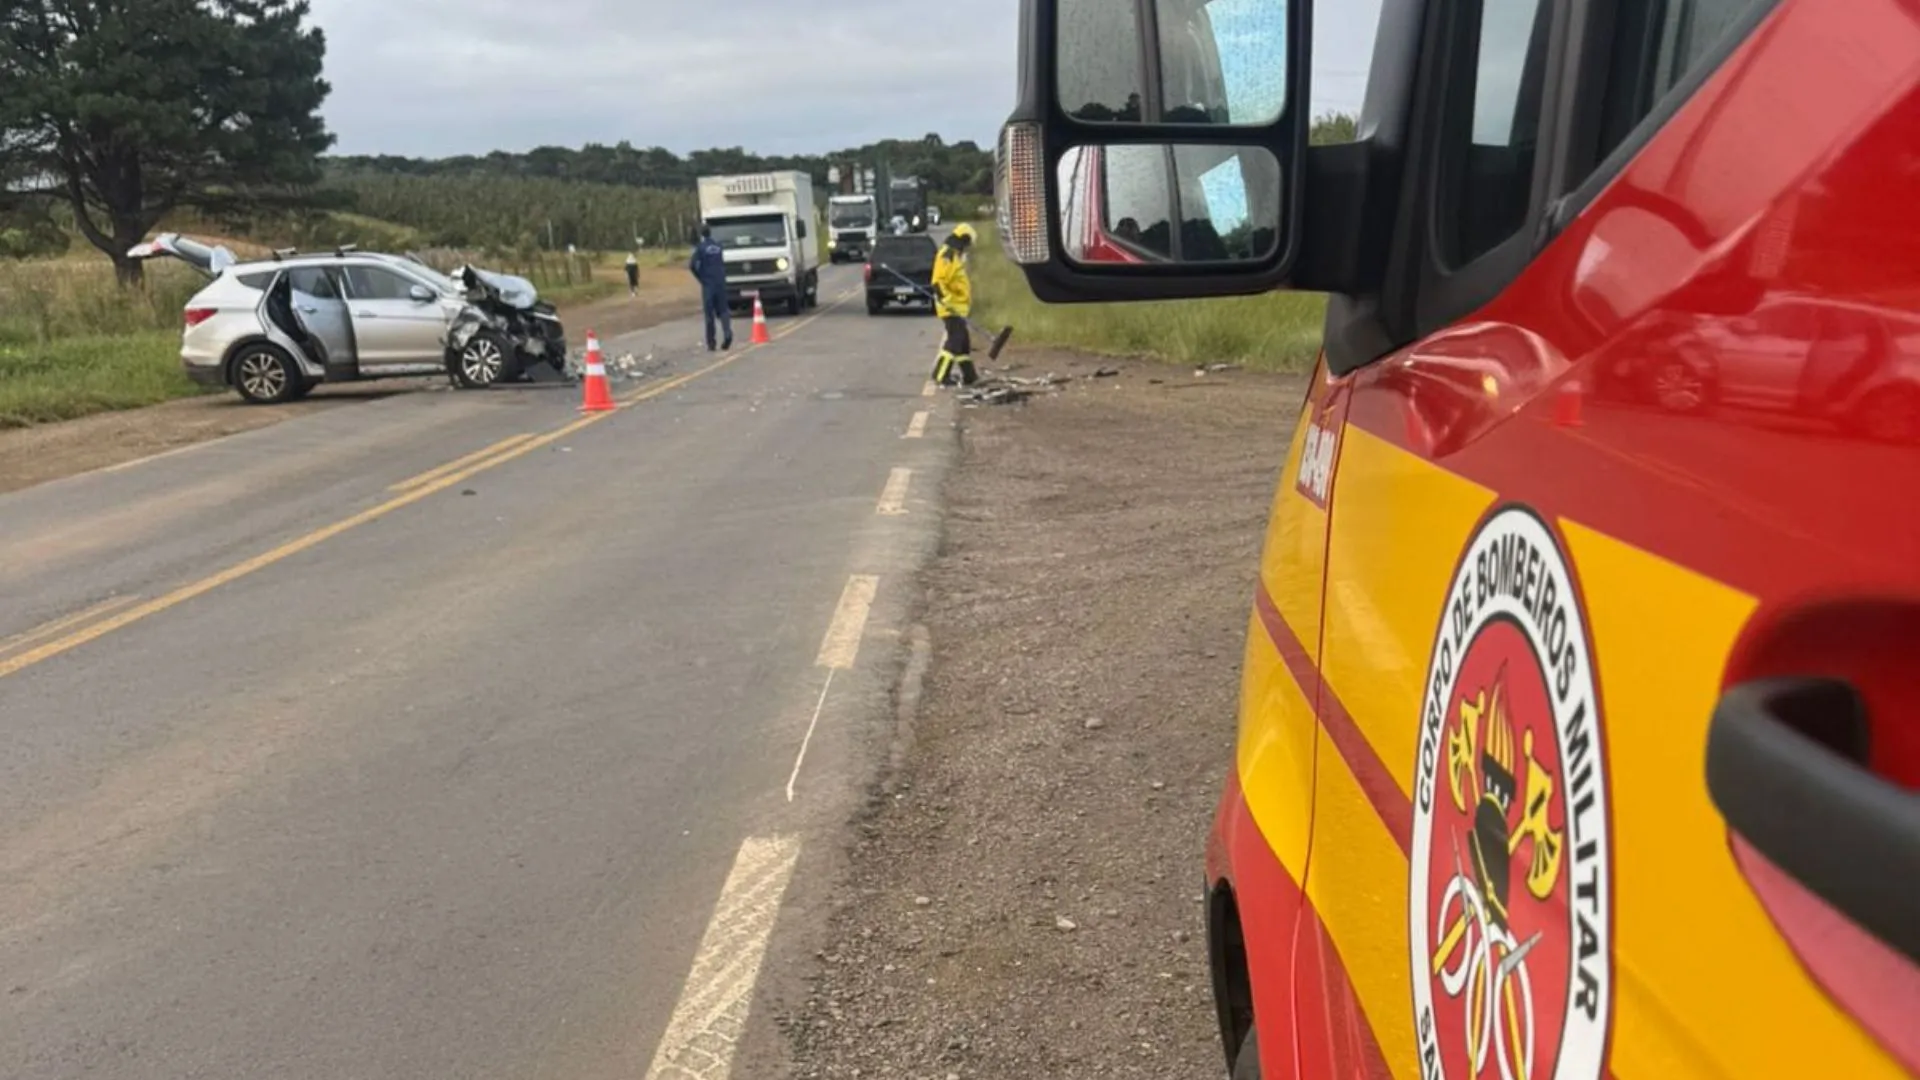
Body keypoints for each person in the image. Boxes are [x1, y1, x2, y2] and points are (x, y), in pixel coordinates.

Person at [930, 223, 978, 387]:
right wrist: (947, 301)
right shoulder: (947, 255)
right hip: (951, 308)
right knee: (955, 341)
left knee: (963, 343)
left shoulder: (955, 254)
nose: (968, 247)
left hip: (958, 308)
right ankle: (940, 375)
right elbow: (937, 282)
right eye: (968, 243)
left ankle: (970, 375)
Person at [688, 226, 732, 351]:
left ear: (702, 235)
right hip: (720, 282)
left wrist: (700, 278)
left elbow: (692, 265)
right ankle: (727, 333)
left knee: (709, 314)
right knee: (723, 310)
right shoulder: (719, 246)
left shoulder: (701, 248)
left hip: (708, 283)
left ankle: (711, 342)